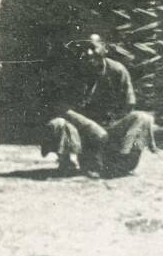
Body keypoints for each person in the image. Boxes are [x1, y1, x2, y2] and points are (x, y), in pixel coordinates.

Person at [41, 32, 155, 177]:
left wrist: (113, 128)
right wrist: (90, 126)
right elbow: (59, 107)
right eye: (83, 49)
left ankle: (123, 161)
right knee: (58, 123)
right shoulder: (71, 72)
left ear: (104, 49)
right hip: (82, 131)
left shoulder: (117, 70)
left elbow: (129, 103)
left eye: (92, 47)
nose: (87, 53)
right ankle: (67, 162)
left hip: (109, 128)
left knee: (142, 118)